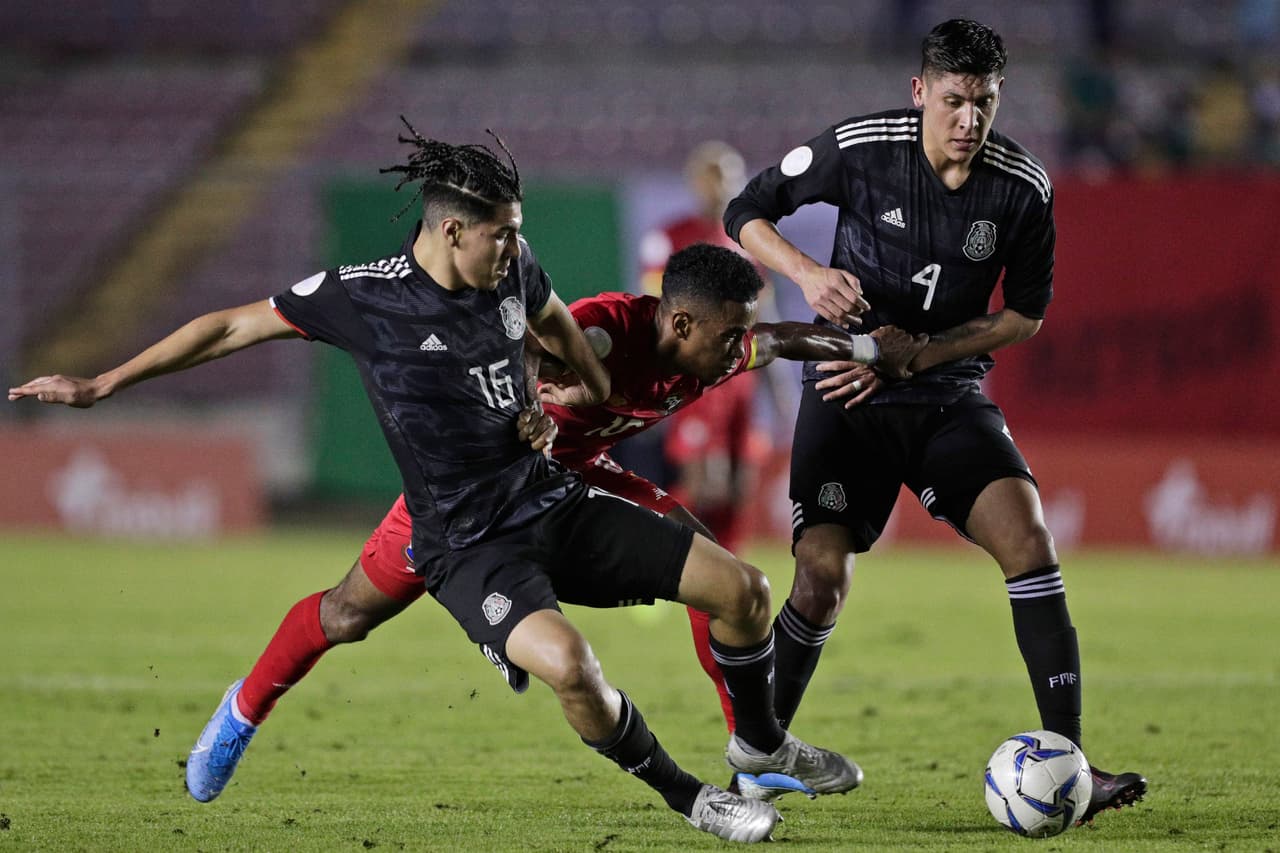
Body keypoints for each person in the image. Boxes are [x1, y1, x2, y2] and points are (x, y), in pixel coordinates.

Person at [9, 121, 864, 843]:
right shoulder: (365, 296)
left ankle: (750, 750)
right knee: (346, 613)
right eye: (501, 230)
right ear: (453, 231)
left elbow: (569, 344)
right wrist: (103, 383)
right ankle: (241, 709)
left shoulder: (518, 273)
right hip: (452, 531)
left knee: (733, 582)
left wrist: (548, 400)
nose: (515, 244)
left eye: (518, 229)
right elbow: (231, 325)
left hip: (548, 492)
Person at [720, 19, 1148, 824]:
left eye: (983, 103)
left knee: (1028, 539)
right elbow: (744, 209)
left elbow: (1024, 313)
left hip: (944, 392)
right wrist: (808, 274)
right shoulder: (861, 147)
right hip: (847, 391)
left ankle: (1072, 763)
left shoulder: (1021, 187)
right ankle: (757, 756)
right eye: (953, 100)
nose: (968, 121)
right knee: (822, 577)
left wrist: (924, 353)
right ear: (920, 92)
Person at [637, 142, 784, 557]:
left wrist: (780, 393)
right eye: (712, 174)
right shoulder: (668, 238)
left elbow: (764, 321)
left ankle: (728, 570)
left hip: (741, 381)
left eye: (729, 174)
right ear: (694, 181)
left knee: (740, 486)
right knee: (707, 481)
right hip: (696, 378)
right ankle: (662, 557)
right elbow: (656, 313)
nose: (720, 183)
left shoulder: (751, 242)